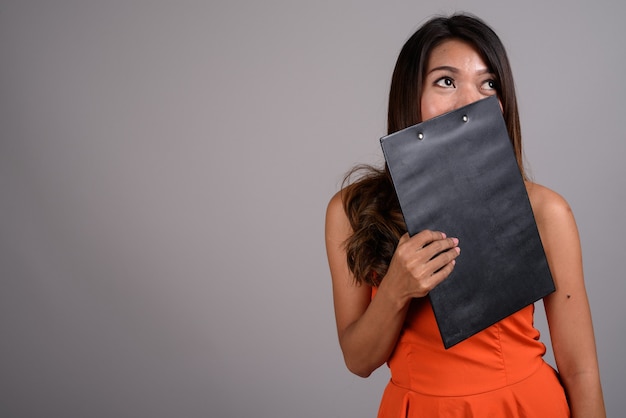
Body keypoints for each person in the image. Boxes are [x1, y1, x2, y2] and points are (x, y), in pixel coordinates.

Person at [325, 13, 606, 417]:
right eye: (446, 81)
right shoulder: (350, 211)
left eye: (488, 83)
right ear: (410, 94)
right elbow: (359, 360)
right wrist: (396, 289)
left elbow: (580, 370)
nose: (470, 100)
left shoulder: (547, 211)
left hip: (523, 406)